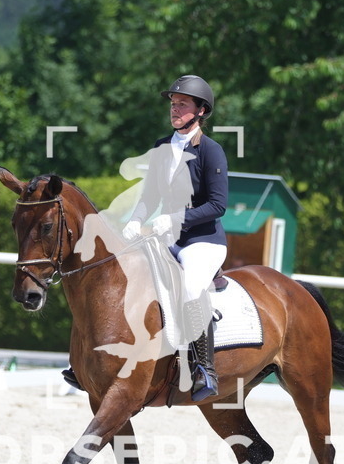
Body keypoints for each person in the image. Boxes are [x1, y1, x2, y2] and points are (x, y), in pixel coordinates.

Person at [63, 75, 228, 401]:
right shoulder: (161, 147)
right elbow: (150, 194)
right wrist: (135, 220)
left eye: (182, 104)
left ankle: (203, 368)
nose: (175, 109)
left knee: (192, 288)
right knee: (123, 278)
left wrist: (176, 218)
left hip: (202, 242)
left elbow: (218, 205)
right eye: (173, 103)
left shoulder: (212, 151)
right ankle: (87, 360)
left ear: (201, 111)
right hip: (166, 237)